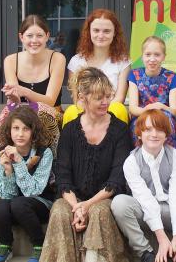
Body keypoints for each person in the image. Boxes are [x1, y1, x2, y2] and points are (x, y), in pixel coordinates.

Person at [41, 67, 132, 262]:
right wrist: (76, 206)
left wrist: (87, 205)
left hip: (105, 198)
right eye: (99, 98)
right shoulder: (70, 130)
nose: (106, 102)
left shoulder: (120, 131)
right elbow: (63, 176)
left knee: (99, 212)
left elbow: (117, 180)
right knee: (59, 210)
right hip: (73, 198)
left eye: (108, 96)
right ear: (83, 98)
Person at [111, 109, 176, 262]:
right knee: (119, 203)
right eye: (148, 130)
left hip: (171, 208)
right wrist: (161, 238)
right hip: (143, 210)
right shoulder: (131, 162)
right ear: (139, 134)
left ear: (166, 134)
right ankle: (145, 254)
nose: (154, 134)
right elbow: (145, 199)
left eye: (159, 130)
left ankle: (175, 255)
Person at [0, 15, 64, 156]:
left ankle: (53, 160)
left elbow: (50, 101)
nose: (34, 41)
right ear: (21, 37)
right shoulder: (10, 60)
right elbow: (16, 102)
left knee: (41, 109)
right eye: (29, 36)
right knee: (7, 111)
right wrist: (13, 96)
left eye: (39, 35)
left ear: (47, 36)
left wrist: (25, 91)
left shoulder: (57, 58)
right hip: (22, 111)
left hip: (52, 113)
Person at [0, 106, 55, 262]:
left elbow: (33, 190)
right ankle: (5, 244)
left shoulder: (44, 153)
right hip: (15, 204)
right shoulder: (1, 153)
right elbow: (6, 196)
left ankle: (39, 244)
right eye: (16, 128)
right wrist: (8, 171)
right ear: (9, 130)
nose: (20, 134)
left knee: (19, 204)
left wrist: (18, 162)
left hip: (40, 203)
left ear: (33, 131)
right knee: (0, 207)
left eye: (26, 129)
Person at [63, 8, 131, 127]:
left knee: (119, 109)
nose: (101, 35)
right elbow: (77, 99)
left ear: (114, 33)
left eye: (106, 31)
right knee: (71, 112)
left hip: (110, 110)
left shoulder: (123, 62)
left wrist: (101, 110)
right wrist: (91, 112)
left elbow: (119, 98)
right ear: (89, 32)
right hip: (85, 111)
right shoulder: (76, 61)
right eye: (96, 30)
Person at [127, 36, 176, 149]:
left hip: (164, 116)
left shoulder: (172, 77)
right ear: (142, 56)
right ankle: (139, 160)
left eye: (157, 55)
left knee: (168, 123)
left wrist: (160, 106)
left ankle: (170, 158)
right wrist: (148, 110)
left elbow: (175, 111)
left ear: (164, 57)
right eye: (148, 54)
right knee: (138, 125)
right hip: (141, 114)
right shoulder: (134, 75)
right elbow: (133, 108)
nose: (152, 59)